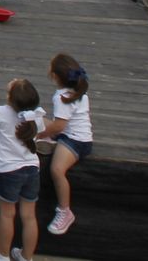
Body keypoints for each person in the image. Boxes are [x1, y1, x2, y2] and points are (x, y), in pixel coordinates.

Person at [0, 78, 46, 261]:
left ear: (10, 98)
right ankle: (26, 257)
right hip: (32, 168)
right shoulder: (37, 116)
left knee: (7, 214)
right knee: (29, 216)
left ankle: (2, 255)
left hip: (8, 170)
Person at [38, 52, 93, 236]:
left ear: (54, 76)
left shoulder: (62, 96)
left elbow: (60, 125)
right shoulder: (79, 91)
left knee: (56, 169)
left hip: (75, 140)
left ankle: (64, 210)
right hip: (73, 134)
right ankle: (48, 141)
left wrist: (43, 134)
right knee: (38, 118)